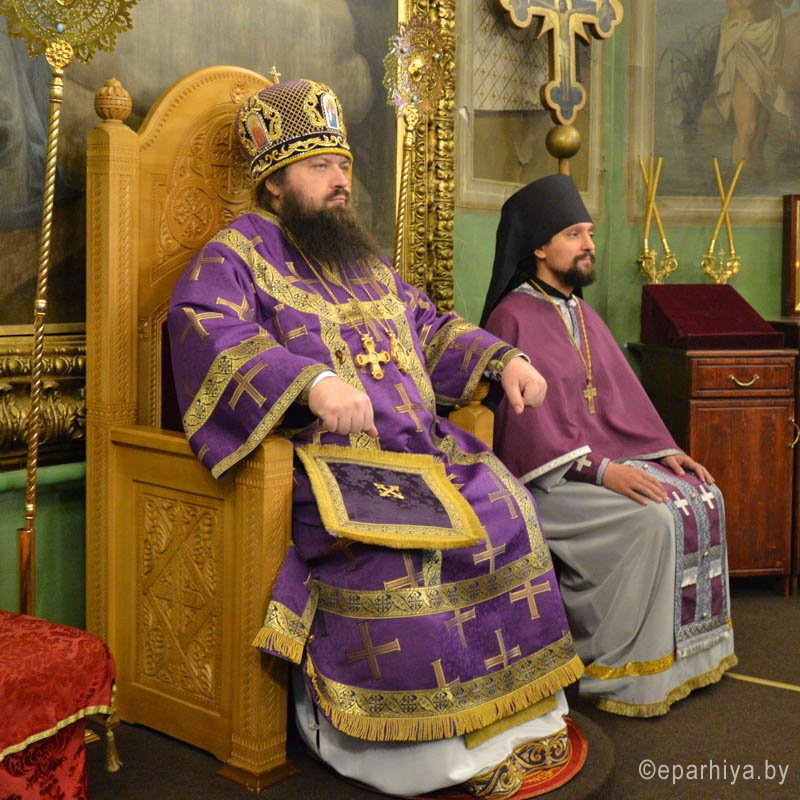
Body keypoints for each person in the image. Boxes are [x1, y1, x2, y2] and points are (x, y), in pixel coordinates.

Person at [167, 80, 585, 797]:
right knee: (405, 559)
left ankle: (515, 719)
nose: (339, 181)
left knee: (507, 508)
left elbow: (427, 326)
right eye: (319, 167)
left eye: (344, 165)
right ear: (274, 183)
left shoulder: (361, 259)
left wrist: (501, 358)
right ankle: (416, 749)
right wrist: (310, 384)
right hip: (333, 469)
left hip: (425, 453)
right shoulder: (236, 253)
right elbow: (208, 329)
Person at [481, 174, 737, 718]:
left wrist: (662, 450)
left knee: (702, 497)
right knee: (653, 519)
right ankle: (628, 672)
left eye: (591, 233)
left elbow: (622, 401)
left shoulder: (581, 312)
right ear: (540, 247)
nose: (589, 244)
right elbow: (529, 432)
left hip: (601, 465)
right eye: (574, 234)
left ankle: (688, 660)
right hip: (550, 481)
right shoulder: (512, 316)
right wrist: (603, 472)